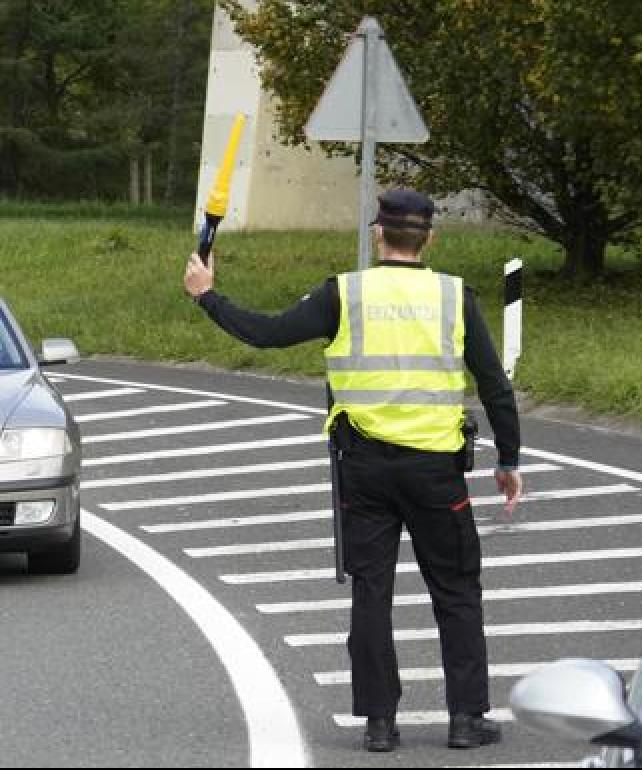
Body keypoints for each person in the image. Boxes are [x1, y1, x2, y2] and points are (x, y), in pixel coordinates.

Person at [182, 188, 522, 753]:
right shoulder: (454, 298)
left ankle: (380, 725)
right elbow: (494, 384)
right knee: (457, 590)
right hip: (437, 473)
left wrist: (207, 296)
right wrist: (508, 459)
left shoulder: (344, 293)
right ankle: (465, 718)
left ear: (377, 234)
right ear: (430, 237)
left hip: (363, 469)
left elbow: (265, 333)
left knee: (372, 592)